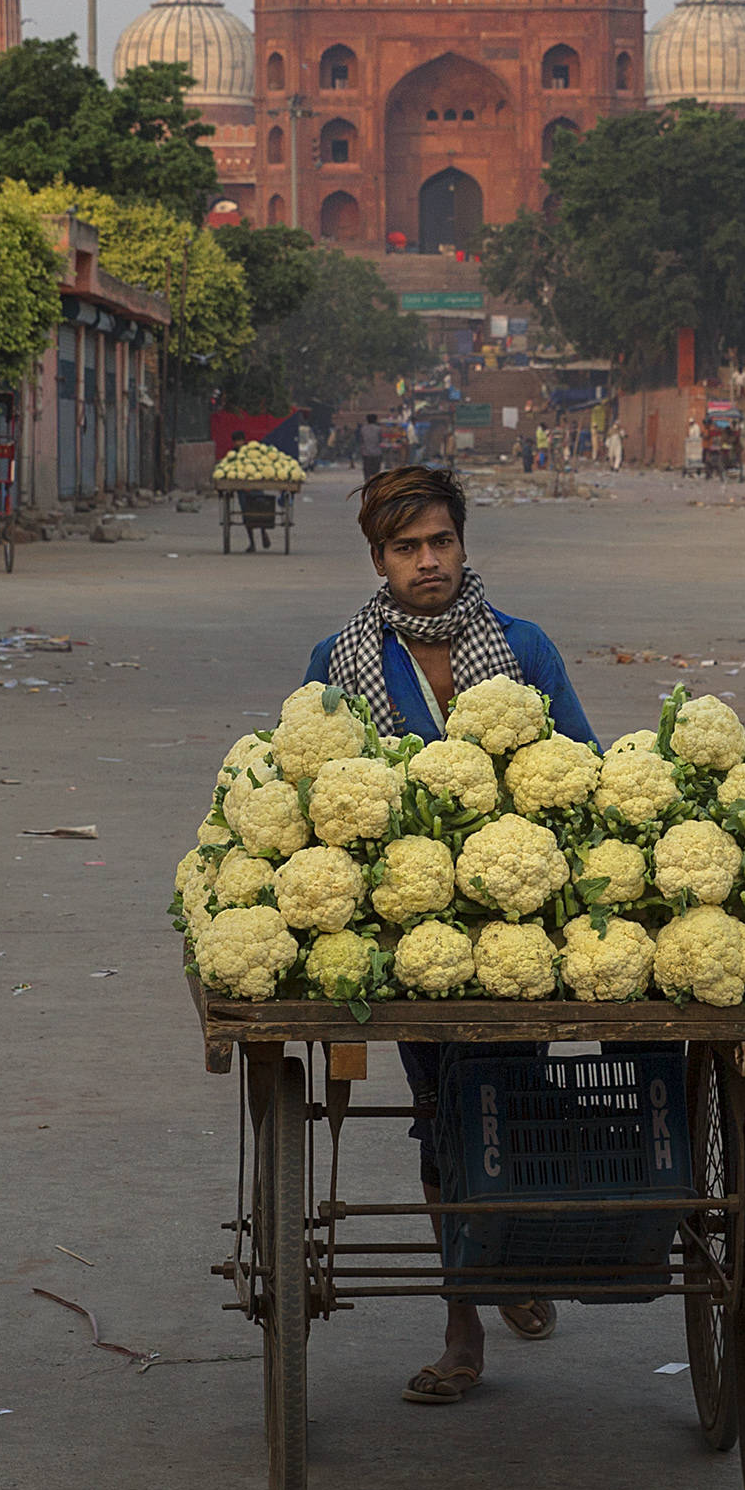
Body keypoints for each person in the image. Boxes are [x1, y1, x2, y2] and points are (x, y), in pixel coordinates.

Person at [301, 467, 595, 1406]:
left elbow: (584, 768)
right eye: (406, 548)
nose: (428, 561)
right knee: (442, 1115)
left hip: (519, 927)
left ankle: (515, 1258)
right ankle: (463, 1318)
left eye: (441, 542)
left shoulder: (523, 648)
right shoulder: (339, 659)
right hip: (407, 935)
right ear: (379, 560)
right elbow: (305, 790)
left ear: (464, 545)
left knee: (520, 1102)